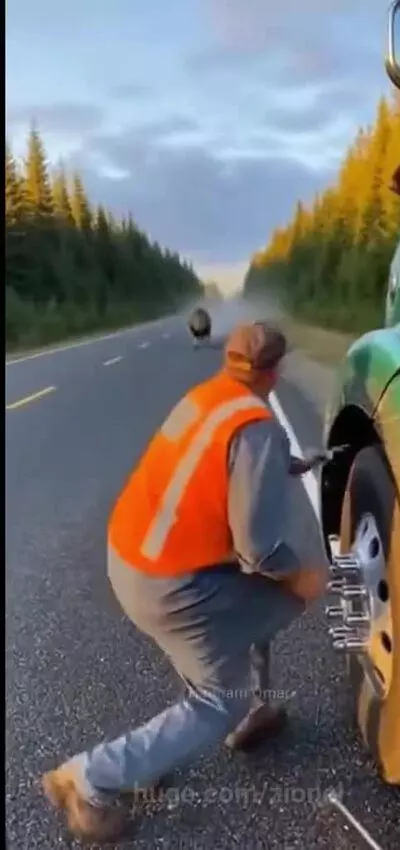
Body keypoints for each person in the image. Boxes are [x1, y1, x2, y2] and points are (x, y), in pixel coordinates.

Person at [42, 322, 329, 843]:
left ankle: (256, 711)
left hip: (132, 559)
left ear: (230, 359)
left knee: (259, 598)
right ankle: (89, 778)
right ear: (276, 371)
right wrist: (307, 576)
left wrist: (284, 465)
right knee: (222, 693)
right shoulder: (258, 425)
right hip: (175, 589)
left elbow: (216, 457)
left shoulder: (206, 397)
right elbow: (259, 550)